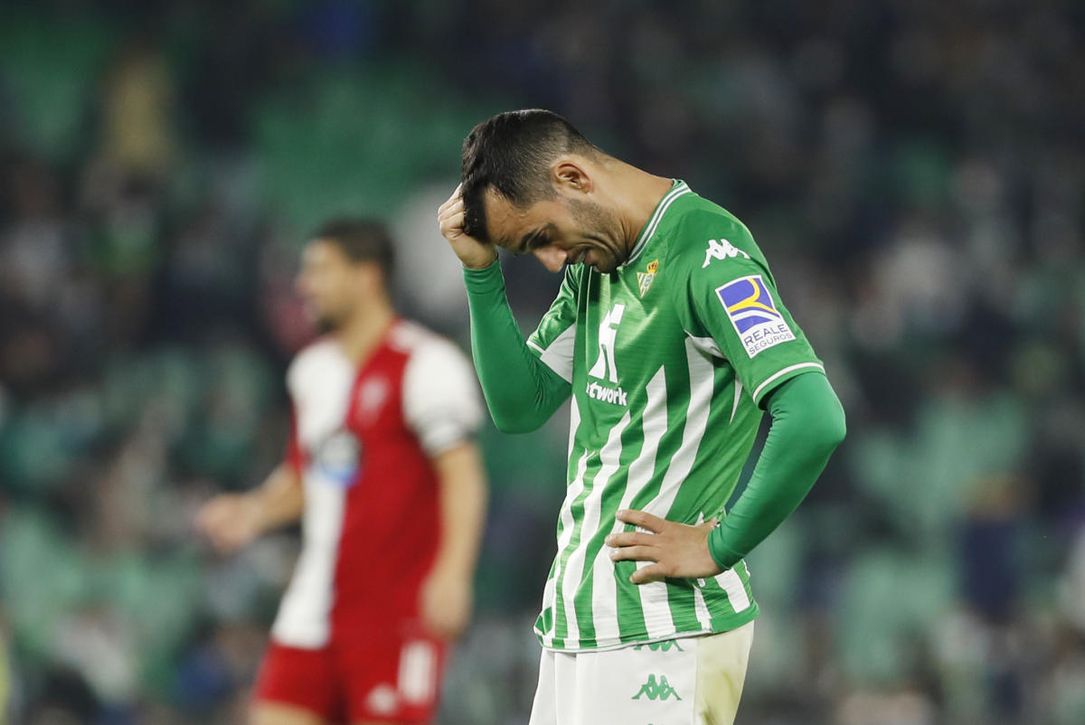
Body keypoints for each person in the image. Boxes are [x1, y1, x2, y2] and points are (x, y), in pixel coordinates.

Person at [436, 110, 846, 725]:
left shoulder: (708, 254)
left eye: (541, 237)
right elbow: (520, 405)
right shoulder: (594, 267)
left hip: (663, 630)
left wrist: (721, 543)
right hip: (582, 624)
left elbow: (814, 415)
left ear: (573, 177)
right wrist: (481, 274)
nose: (549, 261)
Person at [197, 219, 488, 725]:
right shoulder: (311, 372)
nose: (304, 285)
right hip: (311, 609)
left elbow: (462, 475)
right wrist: (252, 512)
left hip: (394, 617)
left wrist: (453, 573)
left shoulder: (426, 364)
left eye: (320, 270)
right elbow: (305, 477)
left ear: (366, 277)